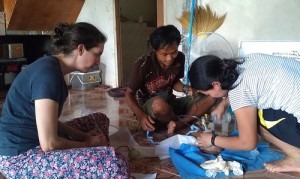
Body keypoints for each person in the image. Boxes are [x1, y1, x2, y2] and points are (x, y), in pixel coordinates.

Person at [0, 22, 129, 178]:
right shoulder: (47, 75)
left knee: (98, 120)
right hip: (19, 158)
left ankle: (92, 159)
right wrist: (88, 145)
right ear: (80, 49)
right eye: (97, 53)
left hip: (38, 141)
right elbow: (49, 144)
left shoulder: (52, 68)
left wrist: (85, 137)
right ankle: (96, 160)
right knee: (115, 164)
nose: (98, 61)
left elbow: (52, 123)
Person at [188, 53, 300, 173]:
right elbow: (252, 86)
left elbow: (248, 143)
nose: (210, 97)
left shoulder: (239, 91)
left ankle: (297, 159)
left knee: (255, 119)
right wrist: (224, 103)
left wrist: (212, 140)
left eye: (208, 94)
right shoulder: (246, 61)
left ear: (216, 84)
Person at [125, 25, 216, 134]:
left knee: (212, 95)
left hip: (170, 104)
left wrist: (185, 88)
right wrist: (140, 115)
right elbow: (129, 93)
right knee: (159, 105)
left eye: (174, 52)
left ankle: (177, 123)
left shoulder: (180, 58)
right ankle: (180, 123)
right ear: (155, 50)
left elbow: (174, 82)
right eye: (164, 54)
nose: (169, 58)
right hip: (150, 109)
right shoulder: (143, 65)